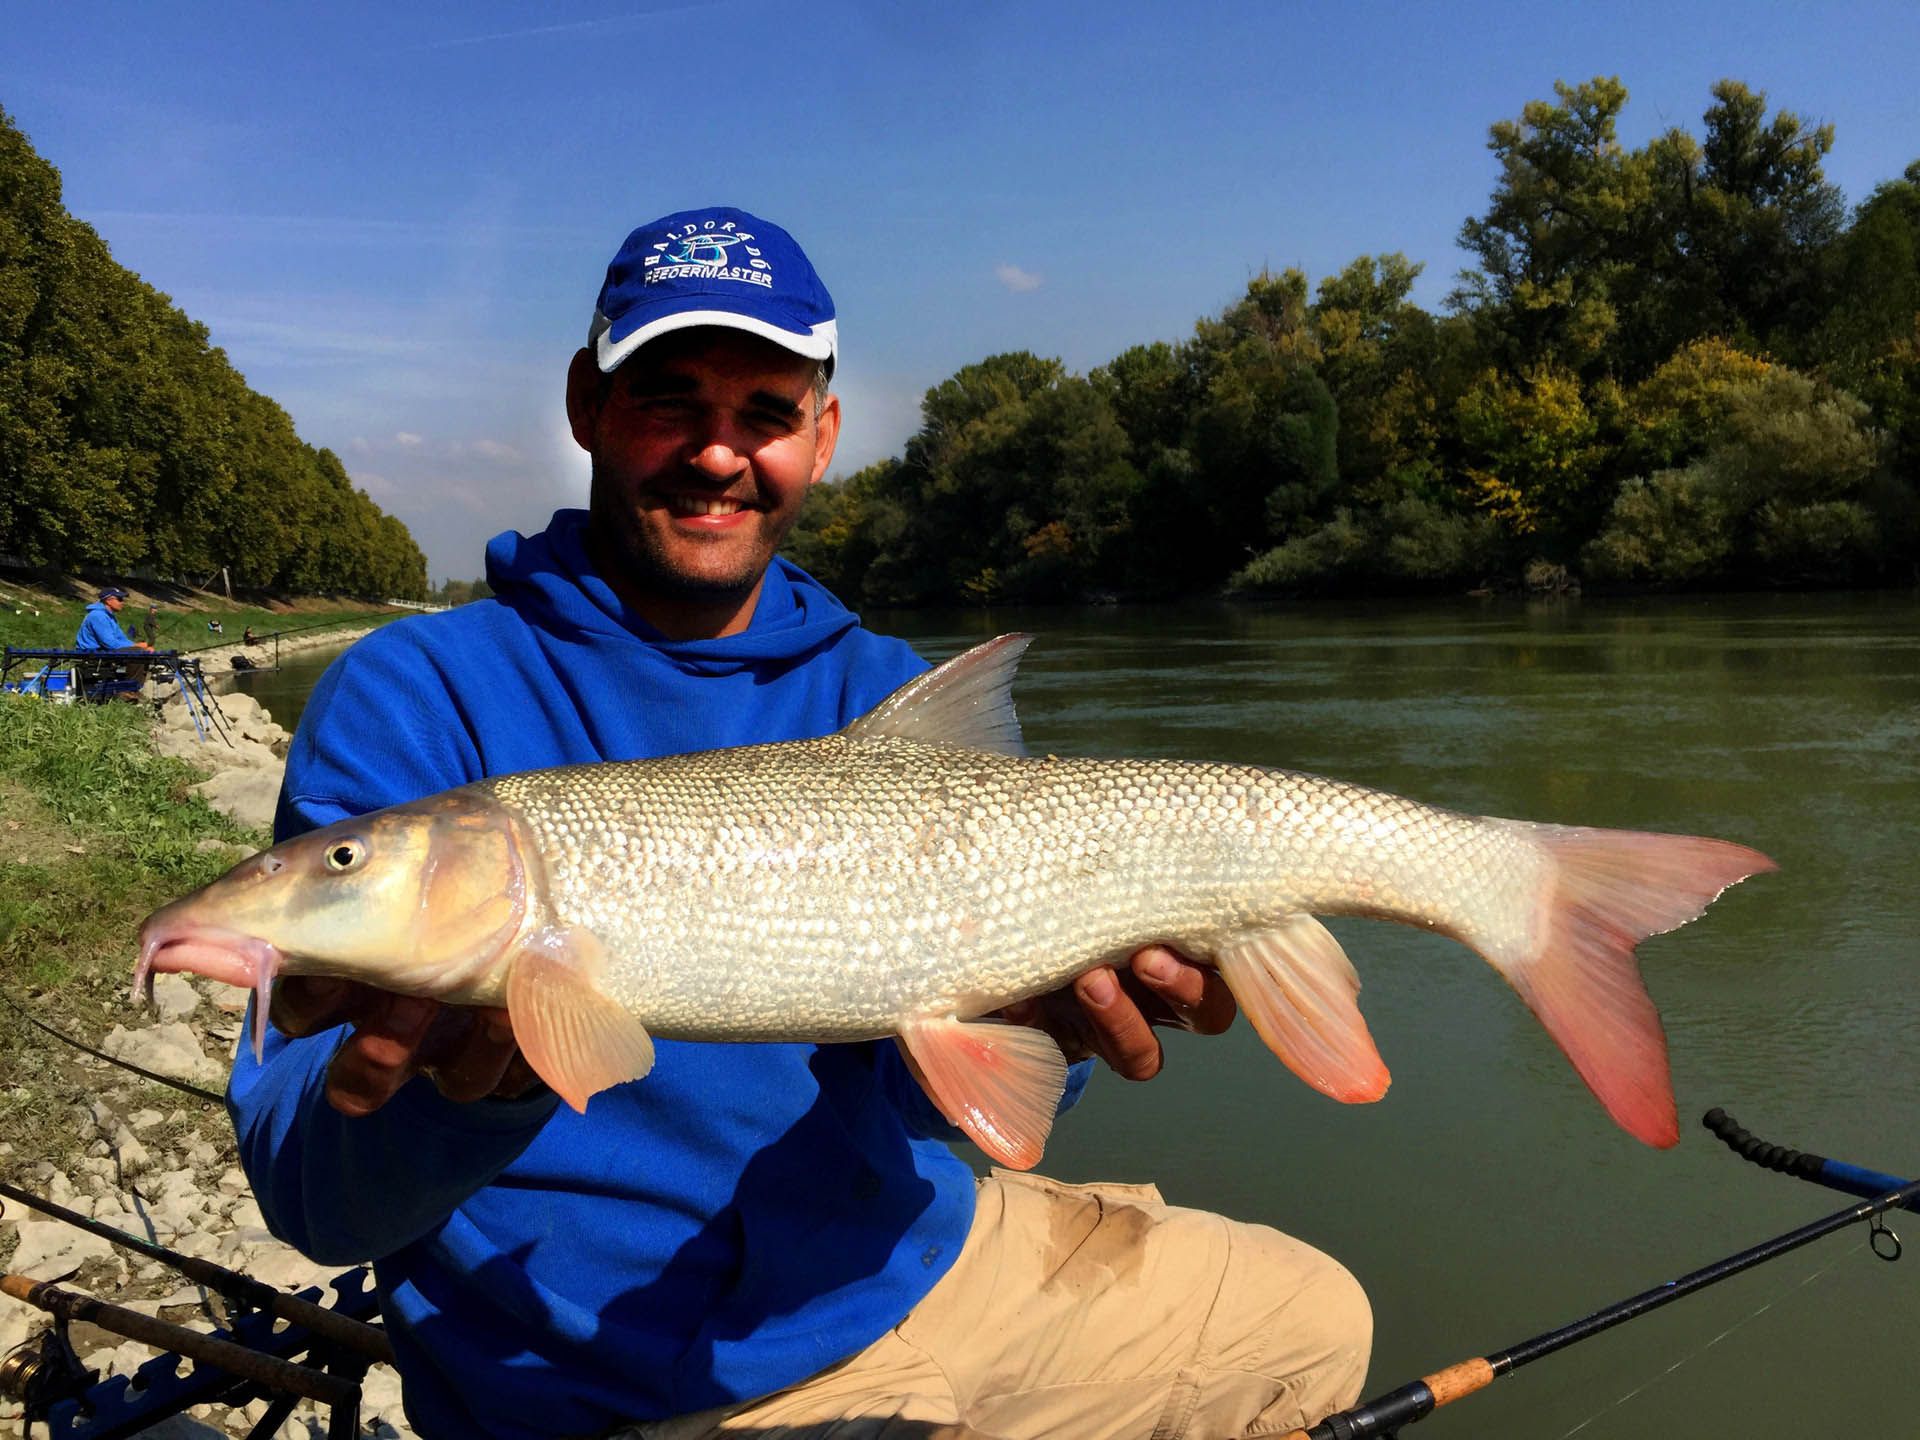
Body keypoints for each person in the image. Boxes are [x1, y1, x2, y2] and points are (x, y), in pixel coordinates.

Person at [227, 207, 1370, 1440]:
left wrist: (1060, 1025)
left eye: (766, 414)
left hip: (907, 1275)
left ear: (822, 437)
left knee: (1317, 1319)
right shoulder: (417, 695)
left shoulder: (890, 688)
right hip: (615, 1385)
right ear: (588, 408)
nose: (719, 454)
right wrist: (465, 1096)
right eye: (672, 401)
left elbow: (975, 1093)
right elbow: (312, 1200)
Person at [72, 585, 151, 700]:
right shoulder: (98, 616)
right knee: (137, 653)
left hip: (102, 650)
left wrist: (140, 646)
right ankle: (128, 690)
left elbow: (121, 639)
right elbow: (110, 643)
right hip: (91, 653)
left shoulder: (109, 617)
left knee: (143, 653)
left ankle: (136, 688)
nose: (122, 602)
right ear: (109, 601)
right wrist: (137, 646)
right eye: (119, 599)